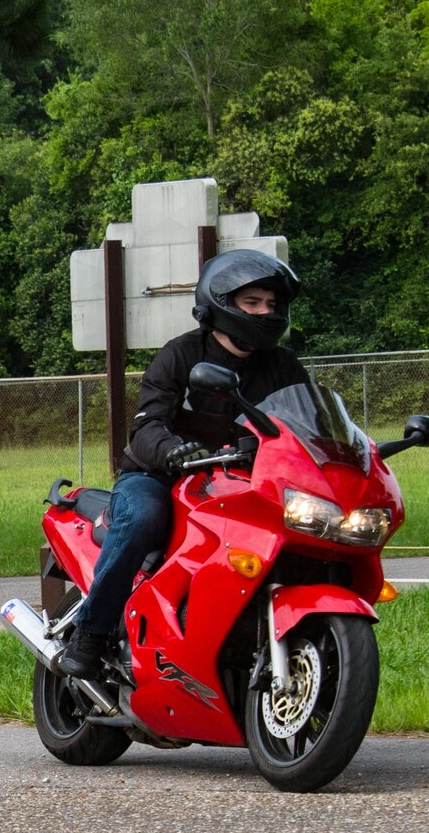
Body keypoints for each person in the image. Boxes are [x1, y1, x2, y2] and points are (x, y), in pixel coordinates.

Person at [57, 250, 312, 677]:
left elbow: (307, 422)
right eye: (253, 303)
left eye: (272, 304)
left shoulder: (282, 366)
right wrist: (174, 450)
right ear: (222, 304)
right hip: (159, 476)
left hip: (243, 483)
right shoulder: (180, 355)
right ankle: (91, 633)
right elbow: (146, 426)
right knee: (142, 517)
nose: (266, 312)